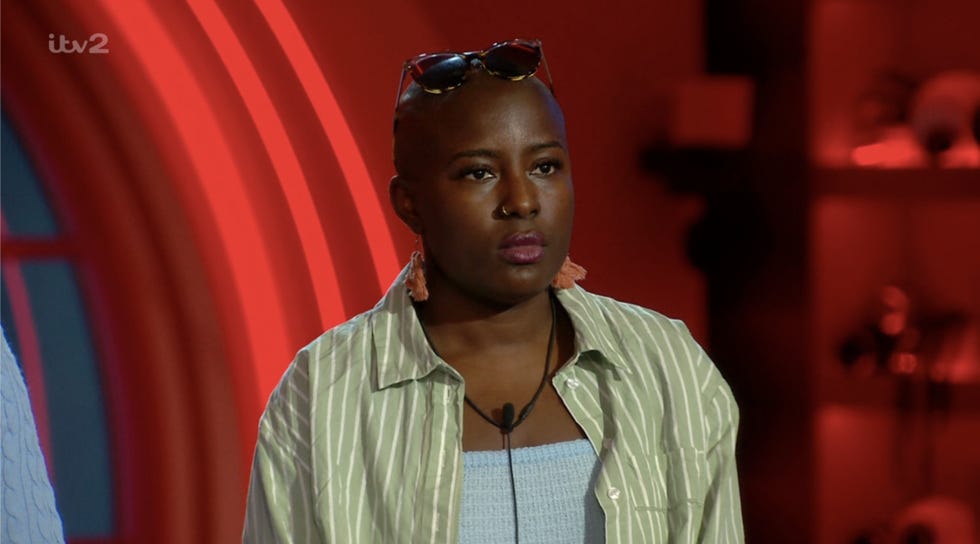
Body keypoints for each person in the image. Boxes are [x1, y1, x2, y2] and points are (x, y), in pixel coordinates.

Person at [243, 38, 743, 543]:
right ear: (409, 204)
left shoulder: (666, 364)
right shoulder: (323, 392)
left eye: (545, 167)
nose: (522, 201)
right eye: (479, 173)